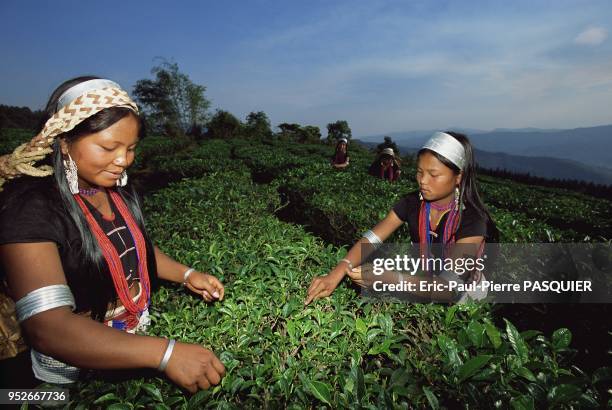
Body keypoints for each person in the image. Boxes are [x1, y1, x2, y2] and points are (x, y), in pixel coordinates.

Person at [0, 77, 225, 392]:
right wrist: (166, 353)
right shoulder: (30, 208)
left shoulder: (113, 188)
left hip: (126, 347)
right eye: (109, 147)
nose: (123, 161)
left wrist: (187, 275)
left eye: (131, 148)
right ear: (63, 141)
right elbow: (48, 327)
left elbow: (132, 250)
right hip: (60, 382)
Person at [305, 131, 498, 305]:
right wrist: (337, 272)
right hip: (422, 283)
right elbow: (373, 238)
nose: (423, 180)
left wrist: (391, 278)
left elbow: (449, 288)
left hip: (466, 299)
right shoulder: (412, 203)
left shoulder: (473, 219)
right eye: (419, 172)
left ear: (458, 177)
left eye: (433, 174)